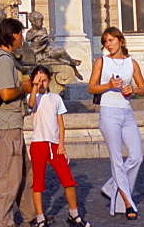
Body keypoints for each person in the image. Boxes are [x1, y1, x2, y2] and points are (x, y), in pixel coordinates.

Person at [0, 16, 36, 227]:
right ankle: (4, 222)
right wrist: (24, 88)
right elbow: (5, 94)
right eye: (20, 33)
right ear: (13, 35)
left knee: (23, 173)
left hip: (7, 123)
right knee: (8, 179)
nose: (22, 37)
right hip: (8, 124)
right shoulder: (4, 60)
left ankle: (31, 216)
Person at [88, 26, 144, 219]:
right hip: (109, 112)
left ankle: (112, 186)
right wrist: (108, 85)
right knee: (117, 159)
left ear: (121, 41)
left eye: (111, 40)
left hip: (127, 112)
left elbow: (143, 88)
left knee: (137, 155)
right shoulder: (101, 61)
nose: (108, 44)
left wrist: (133, 90)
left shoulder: (132, 63)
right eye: (105, 41)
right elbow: (91, 88)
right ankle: (128, 204)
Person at [28, 64, 91, 227]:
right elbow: (30, 105)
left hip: (55, 144)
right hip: (38, 144)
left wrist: (62, 144)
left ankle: (74, 213)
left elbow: (61, 124)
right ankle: (40, 217)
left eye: (44, 80)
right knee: (38, 182)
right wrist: (34, 86)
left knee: (68, 180)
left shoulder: (56, 98)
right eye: (38, 80)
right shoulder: (32, 96)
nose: (42, 83)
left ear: (49, 81)